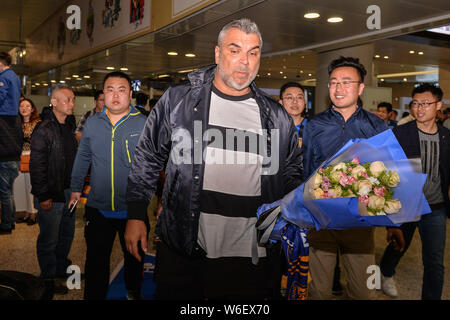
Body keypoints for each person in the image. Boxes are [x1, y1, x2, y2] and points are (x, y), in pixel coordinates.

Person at [124, 18, 303, 300]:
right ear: (218, 54)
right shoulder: (179, 100)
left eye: (253, 52)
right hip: (186, 249)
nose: (244, 62)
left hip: (252, 253)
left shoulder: (275, 115)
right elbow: (148, 157)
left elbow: (291, 170)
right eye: (235, 50)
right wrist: (136, 214)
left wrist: (308, 201)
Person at [302, 56, 388, 300]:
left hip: (359, 221)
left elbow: (385, 172)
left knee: (363, 291)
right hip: (322, 218)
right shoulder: (314, 124)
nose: (338, 88)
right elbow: (307, 169)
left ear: (361, 88)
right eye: (333, 82)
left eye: (346, 82)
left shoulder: (376, 126)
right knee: (318, 290)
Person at [69, 71, 148, 300]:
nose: (115, 95)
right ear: (103, 94)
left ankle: (133, 292)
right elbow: (83, 156)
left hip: (132, 210)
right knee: (95, 262)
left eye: (121, 89)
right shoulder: (93, 123)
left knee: (134, 259)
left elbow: (150, 167)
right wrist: (76, 188)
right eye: (110, 89)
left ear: (130, 94)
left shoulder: (143, 123)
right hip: (98, 207)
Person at [379, 83, 449, 300]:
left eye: (426, 104)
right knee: (398, 246)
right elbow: (386, 170)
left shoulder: (447, 137)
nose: (419, 108)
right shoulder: (400, 133)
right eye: (416, 104)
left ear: (438, 105)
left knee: (435, 262)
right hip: (407, 205)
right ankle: (386, 273)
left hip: (436, 207)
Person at [30, 84, 78, 296]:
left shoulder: (68, 125)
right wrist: (43, 195)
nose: (71, 103)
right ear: (55, 102)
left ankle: (61, 267)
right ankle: (47, 277)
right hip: (52, 192)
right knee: (49, 237)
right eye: (67, 99)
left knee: (66, 233)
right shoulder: (44, 129)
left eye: (73, 99)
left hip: (69, 192)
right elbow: (37, 165)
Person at [0, 51, 22, 234]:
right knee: (7, 190)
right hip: (12, 156)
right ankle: (10, 221)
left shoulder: (4, 77)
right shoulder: (14, 77)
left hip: (5, 158)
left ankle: (6, 224)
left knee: (4, 192)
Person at [15, 98, 41, 225]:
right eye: (21, 106)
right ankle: (26, 212)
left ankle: (33, 213)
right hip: (19, 157)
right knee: (21, 187)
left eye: (27, 106)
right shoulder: (16, 123)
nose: (24, 108)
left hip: (33, 157)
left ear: (32, 109)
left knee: (31, 187)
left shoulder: (38, 123)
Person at [279, 82, 308, 147]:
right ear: (281, 102)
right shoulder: (272, 127)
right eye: (289, 98)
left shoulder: (314, 127)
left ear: (305, 102)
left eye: (299, 98)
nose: (295, 101)